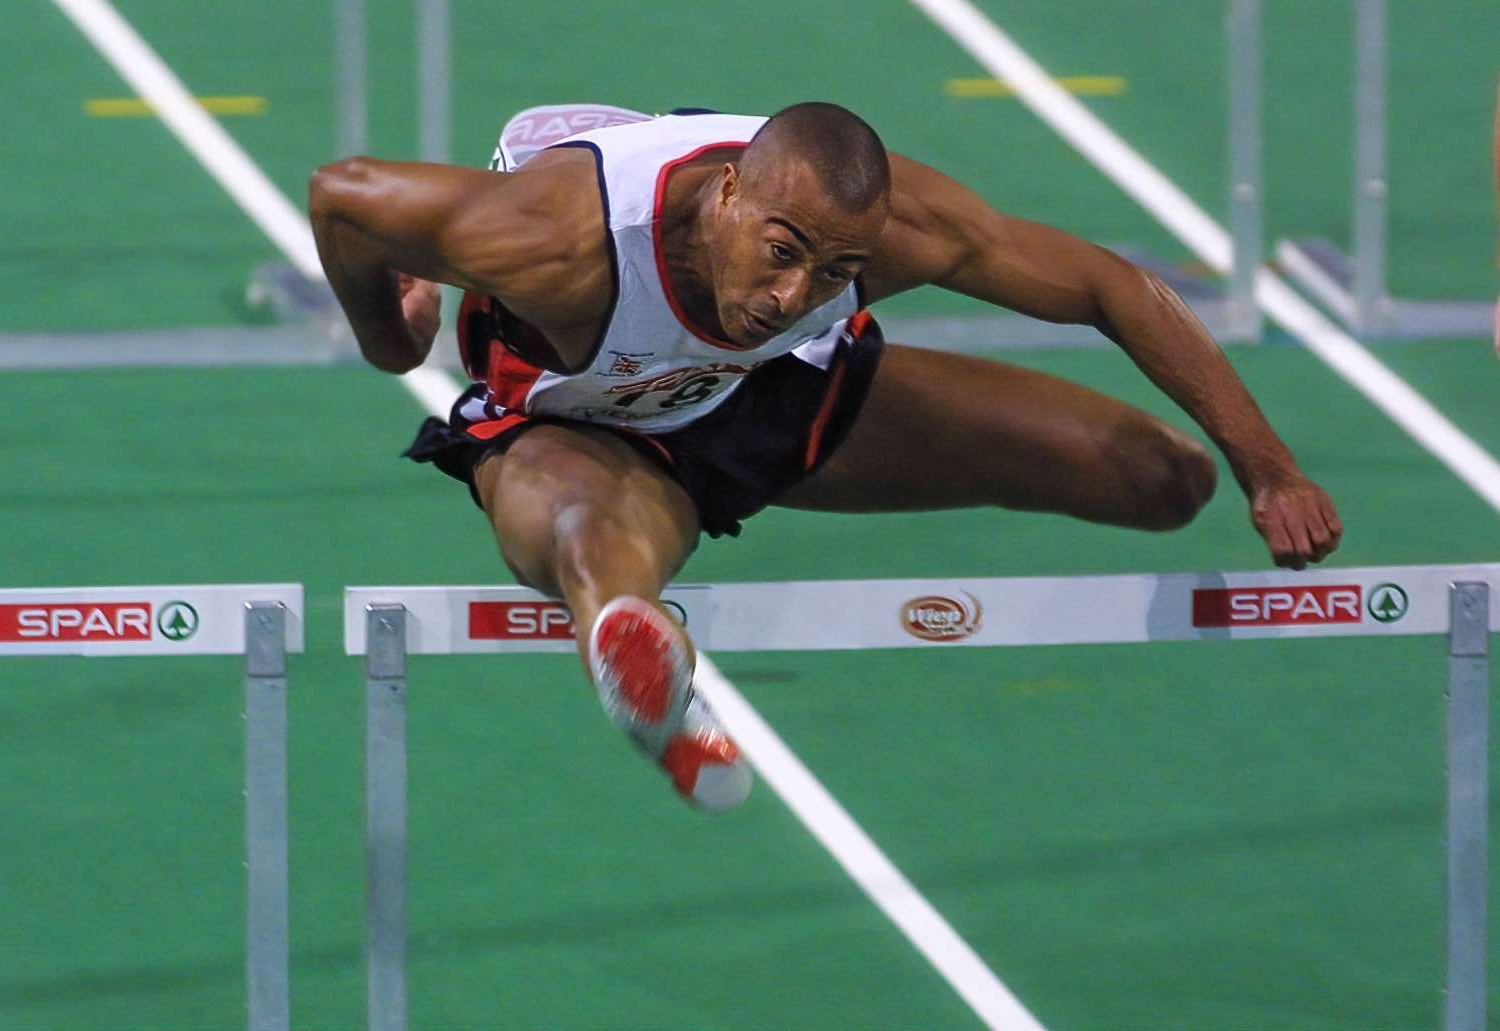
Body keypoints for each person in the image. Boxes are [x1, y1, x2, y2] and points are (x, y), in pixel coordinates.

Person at [309, 102, 1342, 812]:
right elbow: (343, 194)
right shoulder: (554, 237)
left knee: (1164, 481)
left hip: (774, 391)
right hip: (579, 427)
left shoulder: (898, 232)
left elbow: (1110, 285)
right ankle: (656, 684)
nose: (793, 292)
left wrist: (1268, 466)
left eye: (835, 268)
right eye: (782, 252)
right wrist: (391, 337)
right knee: (588, 534)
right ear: (724, 195)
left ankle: (638, 631)